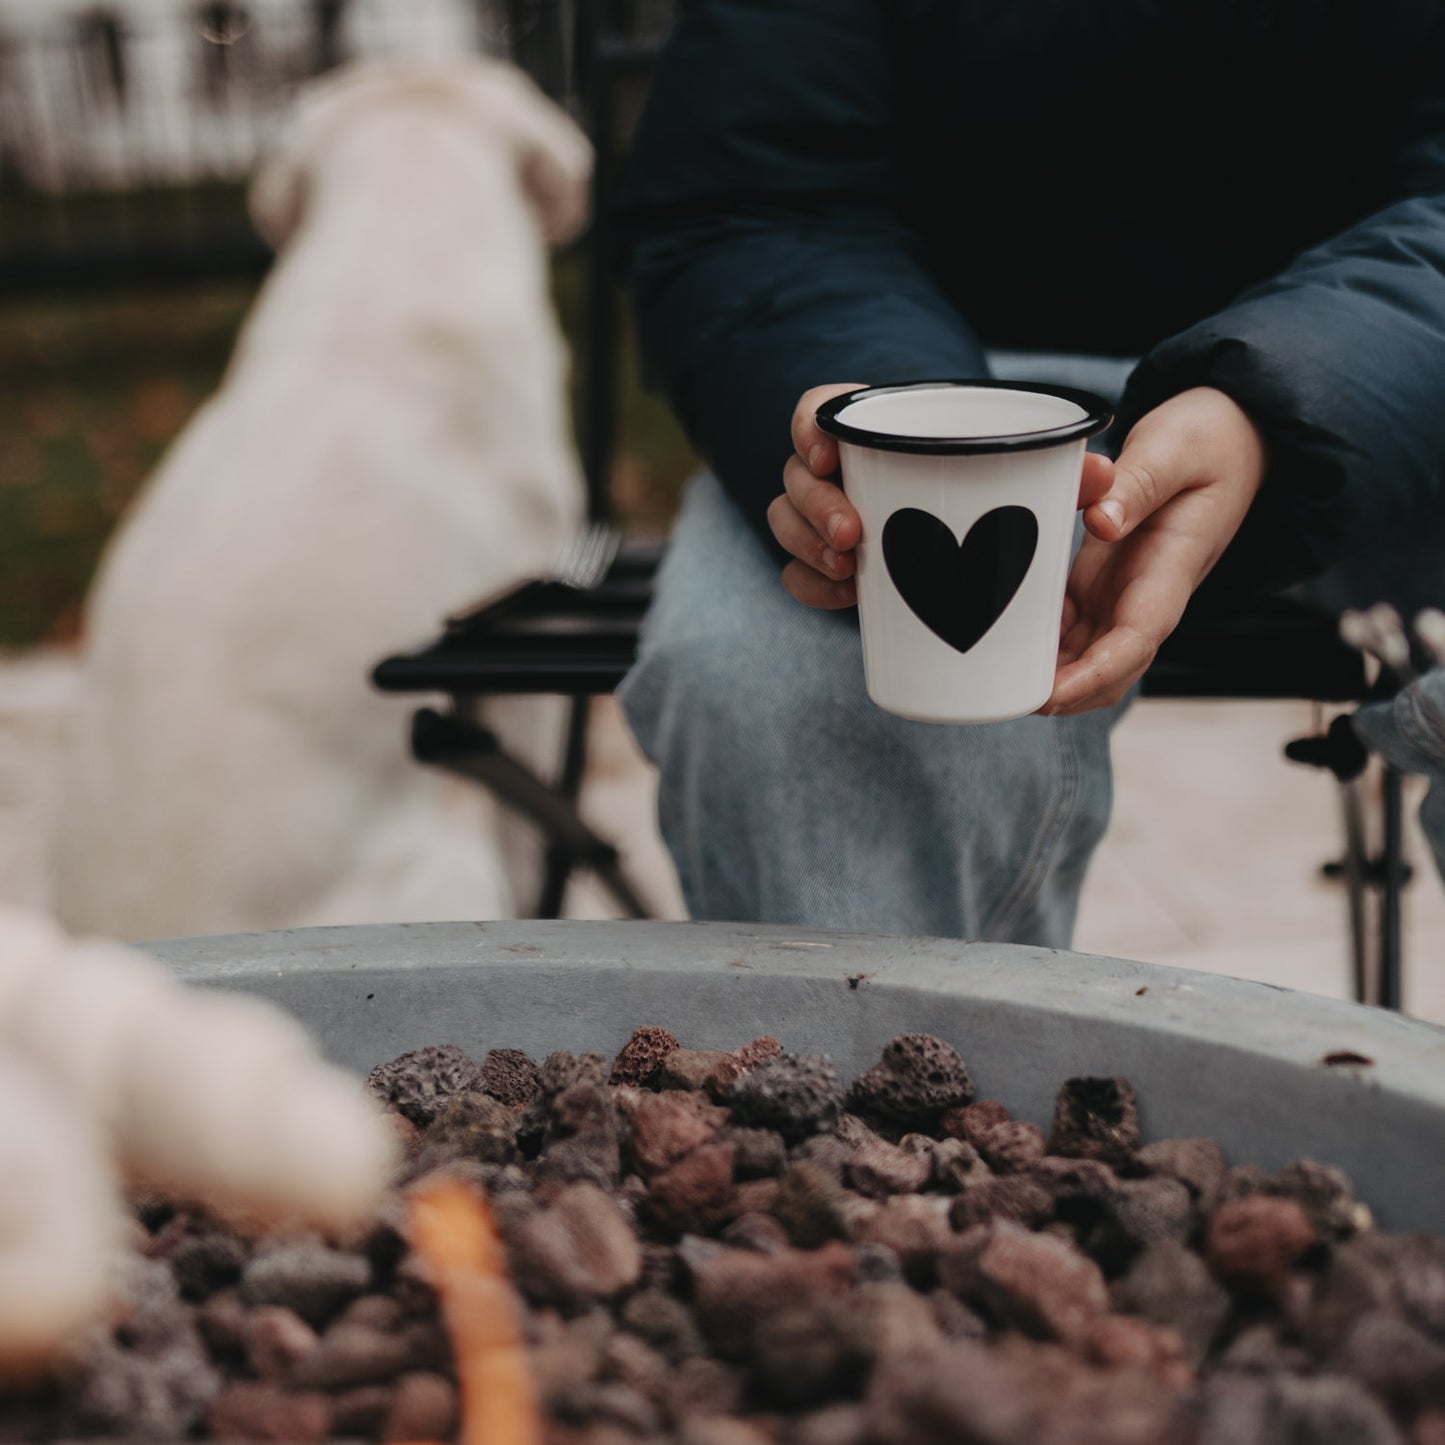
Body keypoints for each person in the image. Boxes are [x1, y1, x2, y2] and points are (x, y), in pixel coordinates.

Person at [613, 1, 1445, 944]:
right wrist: (892, 423)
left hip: (1396, 387)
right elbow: (755, 192)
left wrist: (1277, 406)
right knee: (783, 687)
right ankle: (890, 1071)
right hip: (937, 377)